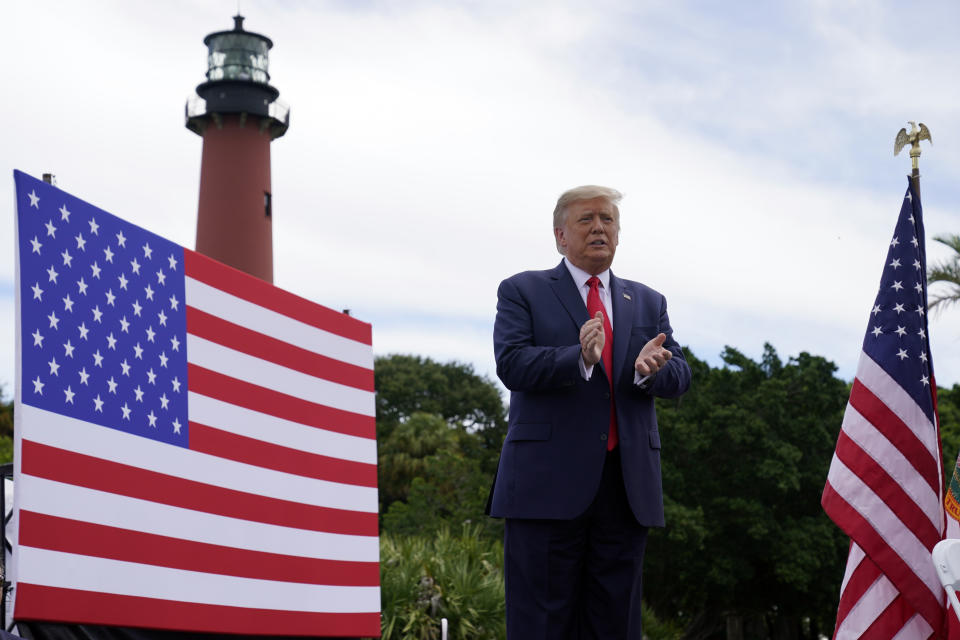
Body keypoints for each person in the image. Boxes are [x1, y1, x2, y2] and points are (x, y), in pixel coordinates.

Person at [488, 185, 691, 639]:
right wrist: (577, 358)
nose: (599, 227)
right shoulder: (523, 289)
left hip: (626, 490)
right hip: (544, 488)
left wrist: (650, 371)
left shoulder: (648, 301)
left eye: (608, 219)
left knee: (615, 625)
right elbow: (512, 364)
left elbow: (680, 374)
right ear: (561, 236)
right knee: (540, 624)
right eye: (586, 219)